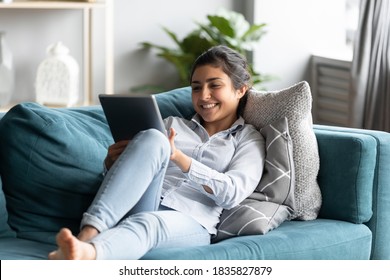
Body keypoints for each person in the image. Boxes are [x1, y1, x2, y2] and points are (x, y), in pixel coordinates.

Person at [48, 45, 265, 260]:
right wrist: (111, 164)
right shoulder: (172, 125)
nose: (204, 96)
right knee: (153, 137)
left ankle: (87, 253)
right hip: (143, 202)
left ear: (240, 90)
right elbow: (128, 181)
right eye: (196, 88)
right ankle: (87, 234)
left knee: (148, 223)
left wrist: (180, 158)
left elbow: (233, 193)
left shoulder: (248, 138)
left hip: (191, 221)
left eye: (214, 85)